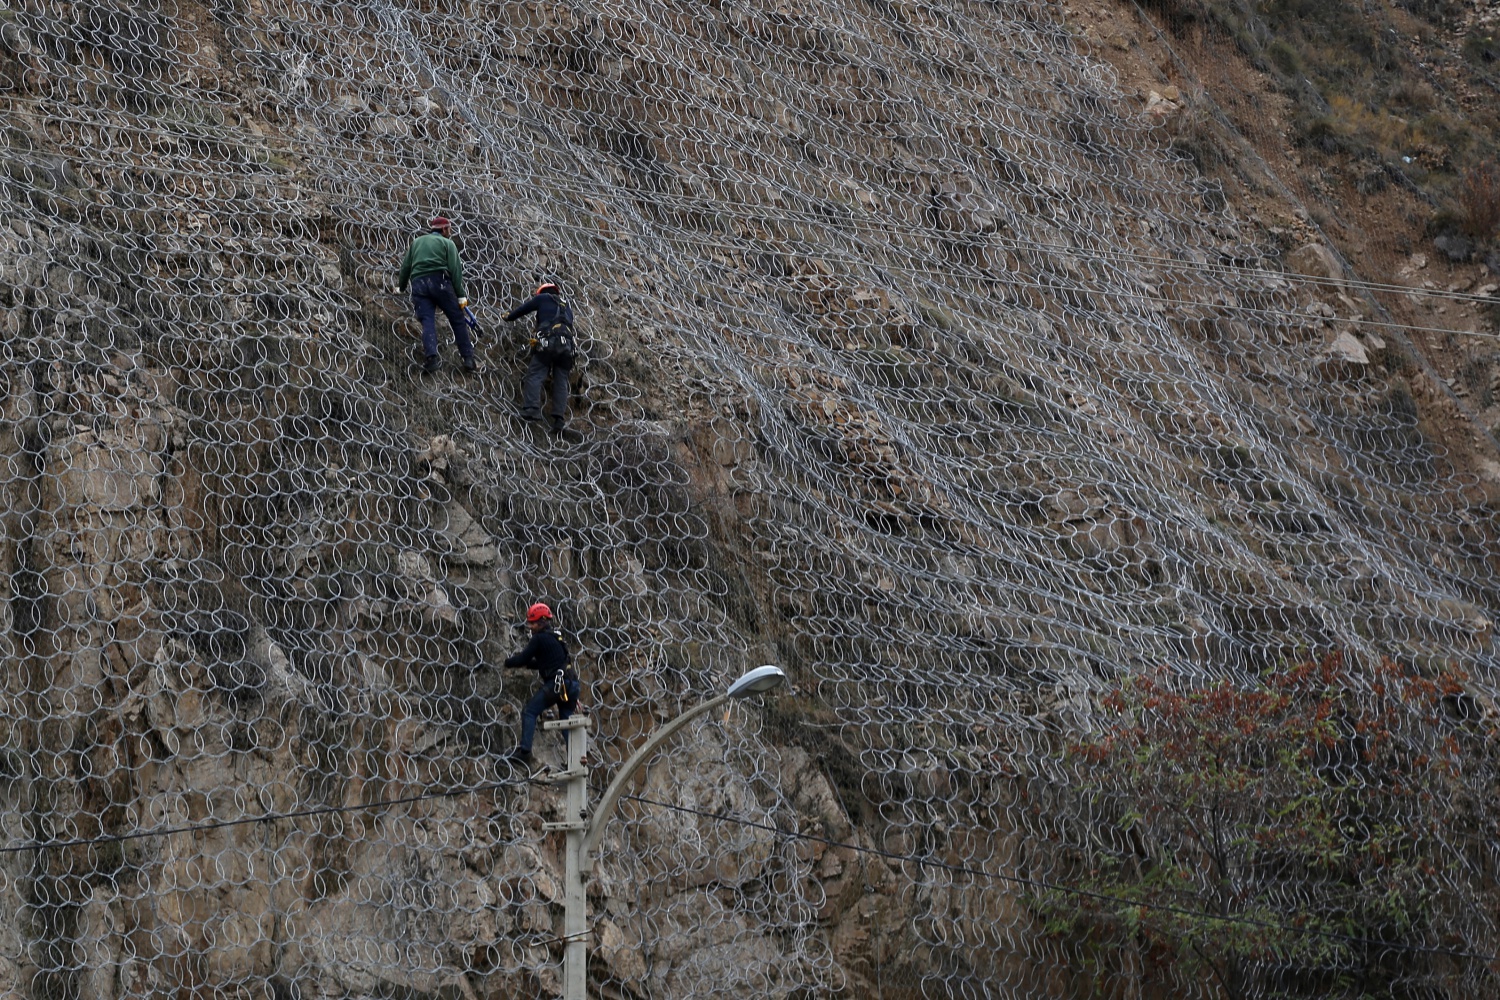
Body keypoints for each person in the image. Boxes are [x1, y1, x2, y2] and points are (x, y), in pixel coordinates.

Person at [502, 602, 581, 763]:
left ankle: (525, 752)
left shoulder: (538, 639)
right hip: (571, 684)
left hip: (557, 685)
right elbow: (545, 663)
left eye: (532, 623)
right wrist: (527, 664)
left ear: (541, 622)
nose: (530, 626)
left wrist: (507, 662)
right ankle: (574, 759)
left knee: (530, 711)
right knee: (565, 718)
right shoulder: (556, 637)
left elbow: (524, 657)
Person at [398, 216, 476, 374]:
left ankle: (432, 359)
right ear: (444, 229)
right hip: (439, 281)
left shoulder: (417, 242)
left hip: (418, 284)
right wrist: (460, 295)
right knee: (457, 319)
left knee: (427, 321)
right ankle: (468, 358)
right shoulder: (448, 243)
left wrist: (401, 286)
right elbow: (455, 271)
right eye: (450, 229)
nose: (450, 232)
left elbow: (406, 266)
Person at [503, 281, 576, 432]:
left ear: (542, 292)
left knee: (535, 374)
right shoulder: (567, 306)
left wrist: (509, 316)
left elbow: (523, 309)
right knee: (561, 380)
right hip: (568, 347)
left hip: (548, 342)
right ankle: (559, 419)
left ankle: (531, 409)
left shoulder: (542, 298)